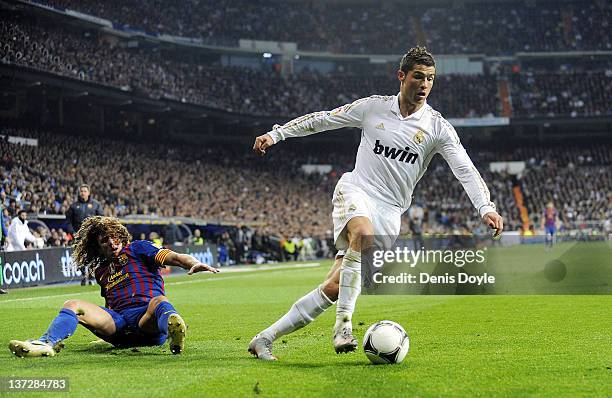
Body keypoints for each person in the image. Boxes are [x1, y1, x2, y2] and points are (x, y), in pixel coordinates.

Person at [249, 47, 504, 360]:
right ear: (401, 76)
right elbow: (325, 120)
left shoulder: (438, 128)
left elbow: (464, 169)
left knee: (334, 286)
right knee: (362, 233)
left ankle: (265, 338)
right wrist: (278, 134)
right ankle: (343, 325)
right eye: (418, 77)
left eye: (430, 79)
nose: (424, 84)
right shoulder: (373, 107)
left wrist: (486, 207)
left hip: (391, 212)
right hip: (357, 189)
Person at [8, 216, 219, 358]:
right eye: (104, 241)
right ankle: (46, 344)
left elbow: (174, 257)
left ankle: (173, 332)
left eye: (114, 237)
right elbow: (108, 306)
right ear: (97, 246)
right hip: (119, 326)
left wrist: (193, 263)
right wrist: (100, 330)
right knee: (72, 304)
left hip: (146, 319)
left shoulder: (138, 248)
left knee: (159, 302)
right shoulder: (101, 271)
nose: (111, 242)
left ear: (121, 235)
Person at [66, 184, 103, 285]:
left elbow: (101, 219)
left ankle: (91, 276)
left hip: (92, 235)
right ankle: (83, 275)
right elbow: (68, 221)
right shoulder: (73, 206)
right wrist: (72, 232)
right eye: (81, 191)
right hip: (78, 236)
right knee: (80, 256)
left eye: (85, 191)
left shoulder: (96, 205)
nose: (83, 193)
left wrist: (98, 232)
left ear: (89, 192)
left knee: (93, 256)